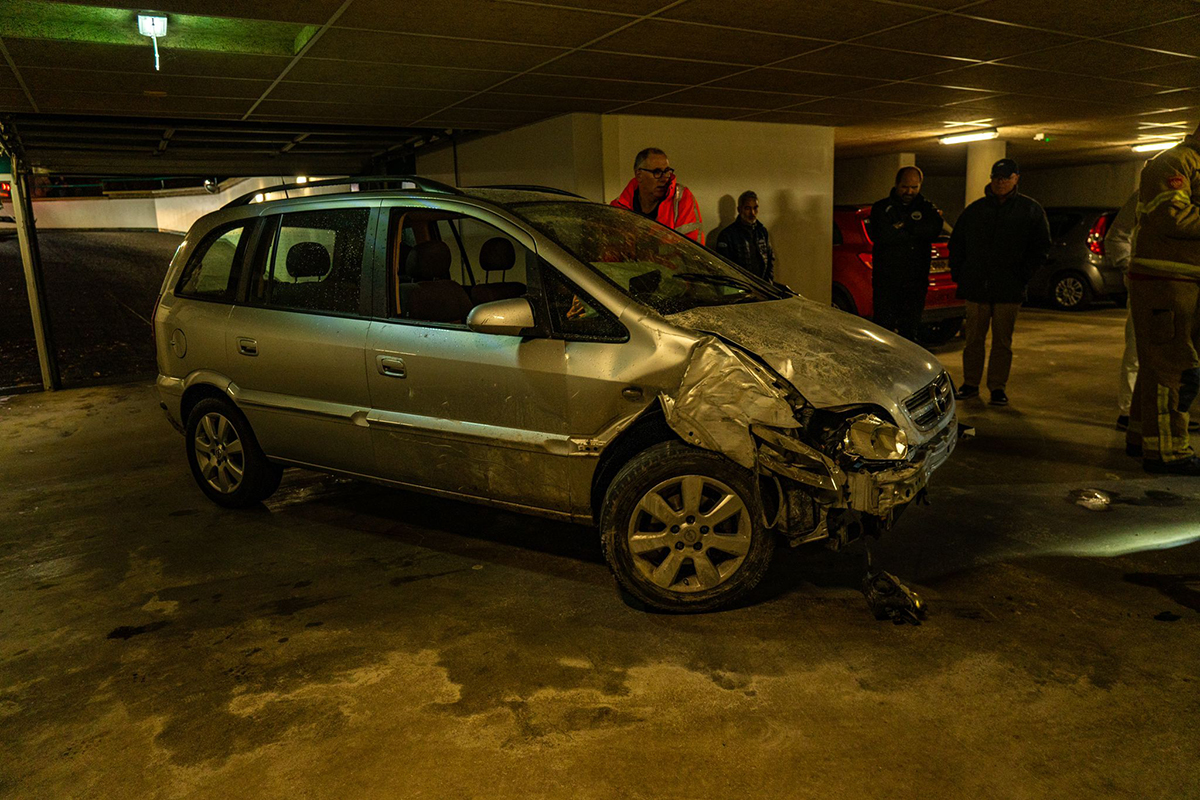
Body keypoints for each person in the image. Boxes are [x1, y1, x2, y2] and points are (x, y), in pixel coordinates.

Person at [1125, 122, 1200, 475]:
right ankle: (1169, 453)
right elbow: (1172, 217)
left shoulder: (1188, 162)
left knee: (1158, 364)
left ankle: (1142, 439)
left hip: (1179, 279)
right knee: (1174, 367)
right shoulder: (1175, 162)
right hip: (1166, 281)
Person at [949, 158, 1052, 406]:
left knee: (1002, 342)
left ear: (1016, 178)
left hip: (1009, 288)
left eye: (1006, 178)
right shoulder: (975, 211)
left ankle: (997, 386)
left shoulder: (1030, 210)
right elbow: (957, 245)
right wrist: (962, 275)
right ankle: (970, 383)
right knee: (973, 339)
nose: (1001, 182)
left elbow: (1041, 248)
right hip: (977, 287)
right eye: (997, 178)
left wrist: (1022, 275)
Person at [868, 166, 944, 341]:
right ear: (896, 184)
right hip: (887, 281)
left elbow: (932, 230)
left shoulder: (926, 208)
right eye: (905, 187)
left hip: (915, 281)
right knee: (883, 330)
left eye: (914, 187)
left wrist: (904, 225)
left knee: (910, 330)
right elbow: (884, 235)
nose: (909, 191)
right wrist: (913, 230)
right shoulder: (882, 208)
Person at [611, 147, 704, 244]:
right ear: (639, 175)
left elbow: (693, 251)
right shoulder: (619, 206)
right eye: (657, 172)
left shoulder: (681, 199)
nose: (664, 179)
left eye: (667, 171)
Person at [1108, 190, 1139, 429]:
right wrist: (1130, 268)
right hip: (1149, 286)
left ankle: (1174, 411)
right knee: (1137, 350)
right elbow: (1117, 236)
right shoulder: (1151, 189)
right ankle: (1128, 412)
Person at [715, 190, 775, 280]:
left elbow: (770, 258)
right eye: (748, 208)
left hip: (761, 287)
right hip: (740, 288)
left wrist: (768, 282)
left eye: (755, 208)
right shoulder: (727, 235)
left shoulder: (762, 232)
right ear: (739, 210)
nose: (752, 213)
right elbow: (724, 267)